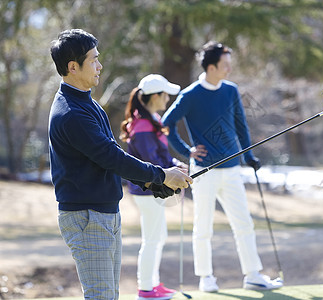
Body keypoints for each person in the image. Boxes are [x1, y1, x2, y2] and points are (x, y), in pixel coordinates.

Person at [48, 29, 192, 300]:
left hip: (104, 213)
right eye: (93, 60)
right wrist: (160, 175)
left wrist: (150, 181)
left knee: (108, 295)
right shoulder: (71, 113)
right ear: (72, 67)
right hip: (88, 216)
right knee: (102, 296)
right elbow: (110, 157)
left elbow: (110, 155)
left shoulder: (86, 103)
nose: (100, 66)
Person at [162, 41, 283, 292]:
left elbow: (241, 126)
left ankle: (252, 274)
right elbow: (167, 123)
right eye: (225, 65)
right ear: (212, 66)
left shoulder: (231, 90)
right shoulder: (191, 94)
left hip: (232, 168)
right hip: (204, 171)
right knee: (203, 225)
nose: (229, 69)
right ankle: (206, 277)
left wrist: (248, 156)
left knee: (244, 223)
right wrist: (187, 151)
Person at [119, 74, 187, 300]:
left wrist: (177, 166)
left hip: (152, 190)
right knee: (152, 239)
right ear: (156, 96)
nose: (168, 98)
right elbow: (152, 163)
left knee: (158, 236)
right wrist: (172, 171)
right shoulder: (143, 125)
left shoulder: (150, 119)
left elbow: (162, 157)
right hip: (148, 191)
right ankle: (146, 289)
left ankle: (153, 285)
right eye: (165, 94)